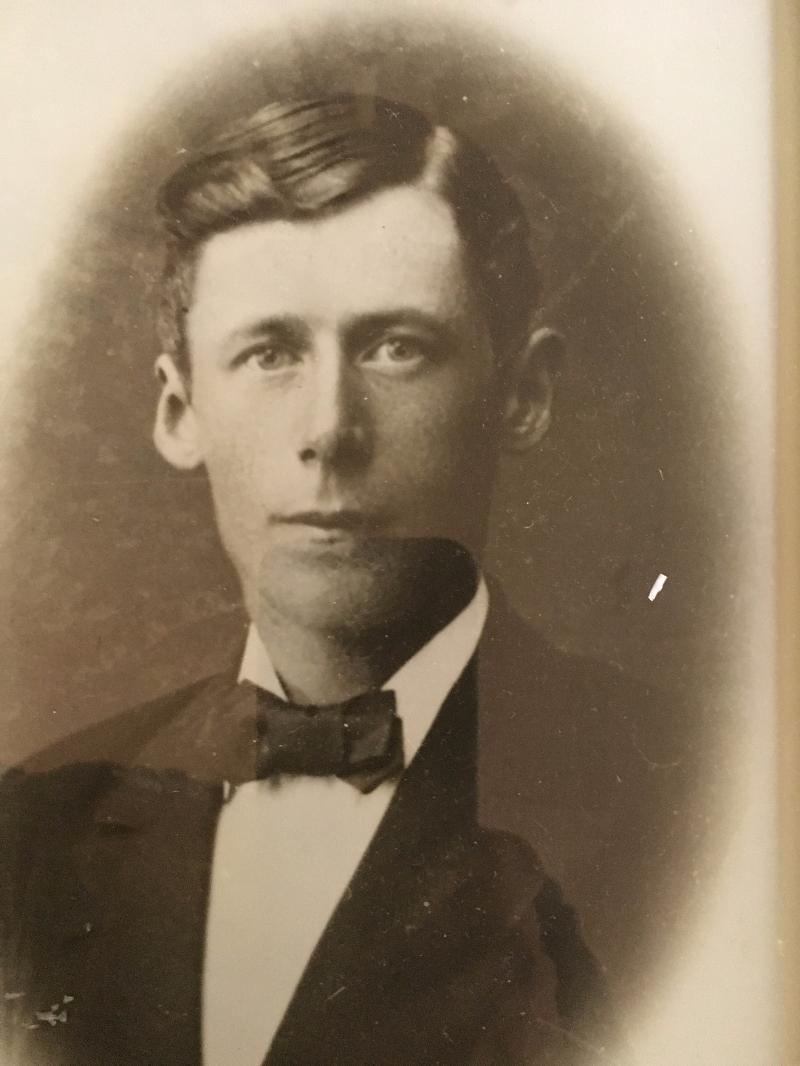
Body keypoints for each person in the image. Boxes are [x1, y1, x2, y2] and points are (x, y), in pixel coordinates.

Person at [0, 94, 688, 1066]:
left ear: (521, 395)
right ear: (179, 410)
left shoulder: (689, 800)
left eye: (396, 347)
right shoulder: (32, 833)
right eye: (270, 353)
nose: (329, 428)